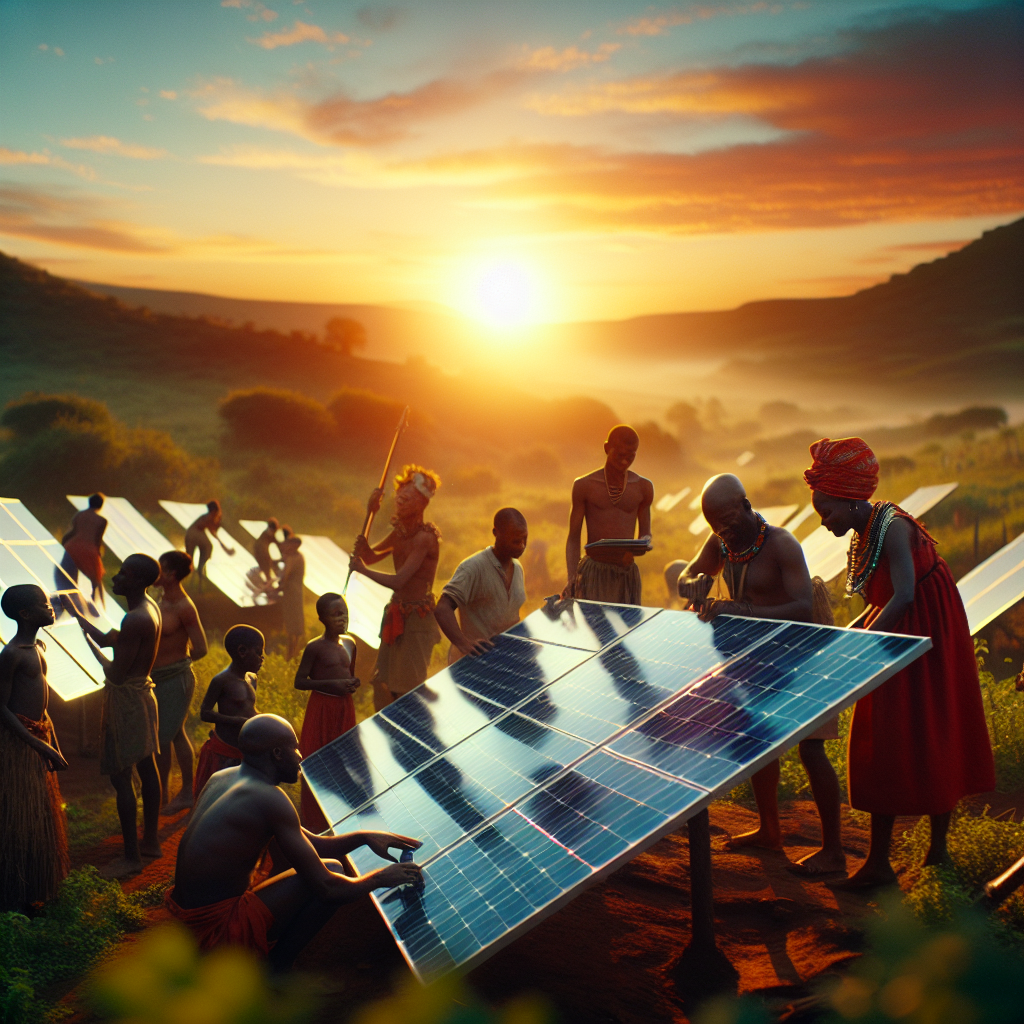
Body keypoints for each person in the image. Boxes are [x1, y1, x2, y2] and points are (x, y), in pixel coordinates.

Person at [804, 437, 996, 889]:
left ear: (852, 501)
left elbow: (906, 594)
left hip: (928, 632)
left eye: (827, 512)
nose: (825, 522)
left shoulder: (891, 527)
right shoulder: (866, 530)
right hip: (902, 626)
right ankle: (880, 862)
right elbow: (887, 598)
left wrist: (861, 646)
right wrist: (853, 634)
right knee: (883, 737)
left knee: (931, 728)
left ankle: (936, 852)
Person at [676, 474, 846, 876]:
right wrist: (694, 584)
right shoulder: (722, 542)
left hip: (802, 650)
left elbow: (803, 608)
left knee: (811, 747)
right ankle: (770, 831)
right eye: (713, 523)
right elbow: (685, 578)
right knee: (759, 738)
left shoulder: (781, 544)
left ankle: (834, 850)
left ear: (746, 504)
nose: (722, 530)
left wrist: (739, 612)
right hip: (755, 654)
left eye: (727, 518)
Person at [166, 714, 422, 970]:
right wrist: (381, 878)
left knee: (325, 865)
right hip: (217, 931)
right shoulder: (269, 798)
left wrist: (364, 837)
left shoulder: (223, 778)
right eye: (295, 747)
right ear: (277, 753)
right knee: (331, 871)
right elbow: (328, 889)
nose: (300, 756)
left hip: (185, 925)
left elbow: (313, 844)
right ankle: (274, 971)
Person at [73, 553, 163, 878]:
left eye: (123, 573)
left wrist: (90, 650)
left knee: (121, 776)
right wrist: (84, 625)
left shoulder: (135, 619)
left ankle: (131, 857)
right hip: (143, 696)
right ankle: (150, 842)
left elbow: (117, 674)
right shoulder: (148, 608)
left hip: (127, 701)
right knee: (147, 766)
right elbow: (124, 644)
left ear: (138, 581)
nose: (114, 577)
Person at [0, 584, 70, 911]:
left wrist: (50, 742)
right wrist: (38, 746)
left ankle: (37, 886)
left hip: (38, 741)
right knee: (21, 818)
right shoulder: (12, 654)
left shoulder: (38, 648)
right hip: (18, 749)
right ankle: (17, 893)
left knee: (39, 815)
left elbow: (41, 708)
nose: (51, 607)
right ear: (26, 614)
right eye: (44, 604)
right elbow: (2, 709)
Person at [350, 464, 442, 710]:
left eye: (407, 498)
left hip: (417, 621)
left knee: (407, 691)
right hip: (396, 615)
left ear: (422, 503)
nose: (400, 502)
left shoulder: (425, 538)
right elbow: (369, 556)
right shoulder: (399, 533)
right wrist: (372, 510)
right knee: (382, 683)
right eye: (399, 498)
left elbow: (399, 580)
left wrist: (362, 570)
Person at [564, 425, 653, 606]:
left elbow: (646, 534)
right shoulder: (584, 485)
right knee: (595, 631)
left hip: (626, 574)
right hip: (594, 572)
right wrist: (573, 578)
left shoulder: (643, 487)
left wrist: (643, 544)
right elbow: (573, 537)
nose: (624, 462)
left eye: (631, 456)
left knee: (628, 632)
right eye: (619, 455)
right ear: (606, 448)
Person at [294, 593, 360, 832]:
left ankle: (341, 820)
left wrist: (352, 683)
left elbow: (348, 673)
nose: (342, 619)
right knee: (316, 763)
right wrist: (329, 686)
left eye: (344, 613)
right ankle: (313, 824)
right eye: (335, 615)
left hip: (344, 708)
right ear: (322, 618)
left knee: (344, 762)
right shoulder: (315, 648)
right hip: (322, 708)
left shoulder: (351, 643)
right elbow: (300, 681)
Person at [153, 551, 208, 815]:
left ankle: (180, 792)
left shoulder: (184, 607)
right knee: (173, 734)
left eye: (160, 569)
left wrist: (176, 665)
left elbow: (201, 648)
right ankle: (167, 793)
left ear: (172, 575)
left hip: (176, 680)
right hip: (157, 681)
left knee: (165, 737)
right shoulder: (159, 600)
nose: (156, 573)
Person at [436, 508, 528, 663]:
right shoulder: (473, 567)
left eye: (525, 539)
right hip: (473, 663)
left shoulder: (518, 568)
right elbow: (442, 608)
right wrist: (464, 644)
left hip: (502, 661)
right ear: (496, 533)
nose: (522, 546)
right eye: (516, 541)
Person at [193, 625, 263, 799]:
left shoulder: (251, 679)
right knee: (221, 797)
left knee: (243, 797)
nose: (262, 658)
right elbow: (205, 713)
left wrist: (262, 720)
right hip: (225, 751)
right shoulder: (222, 681)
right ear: (242, 651)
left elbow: (248, 708)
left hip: (244, 750)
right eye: (259, 652)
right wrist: (235, 721)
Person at [61, 492, 107, 607]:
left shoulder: (79, 515)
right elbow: (97, 539)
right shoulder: (102, 520)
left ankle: (70, 602)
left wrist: (63, 543)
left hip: (72, 546)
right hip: (88, 549)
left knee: (70, 575)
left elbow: (72, 532)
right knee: (95, 578)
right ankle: (94, 603)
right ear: (101, 505)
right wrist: (98, 553)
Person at [184, 501, 235, 584]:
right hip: (194, 534)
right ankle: (199, 571)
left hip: (191, 534)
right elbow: (212, 531)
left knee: (193, 555)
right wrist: (225, 547)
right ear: (215, 510)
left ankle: (198, 572)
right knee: (207, 547)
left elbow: (211, 530)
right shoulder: (209, 517)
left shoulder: (207, 517)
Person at [276, 535, 306, 659]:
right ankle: (294, 652)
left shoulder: (292, 558)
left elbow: (285, 576)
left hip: (290, 593)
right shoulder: (300, 557)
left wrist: (277, 587)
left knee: (291, 624)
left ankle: (290, 653)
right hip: (297, 593)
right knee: (297, 623)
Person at [253, 518, 281, 583]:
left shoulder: (269, 533)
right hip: (261, 552)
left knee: (267, 567)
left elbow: (276, 542)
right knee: (266, 567)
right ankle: (267, 579)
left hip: (262, 552)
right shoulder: (267, 534)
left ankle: (267, 578)